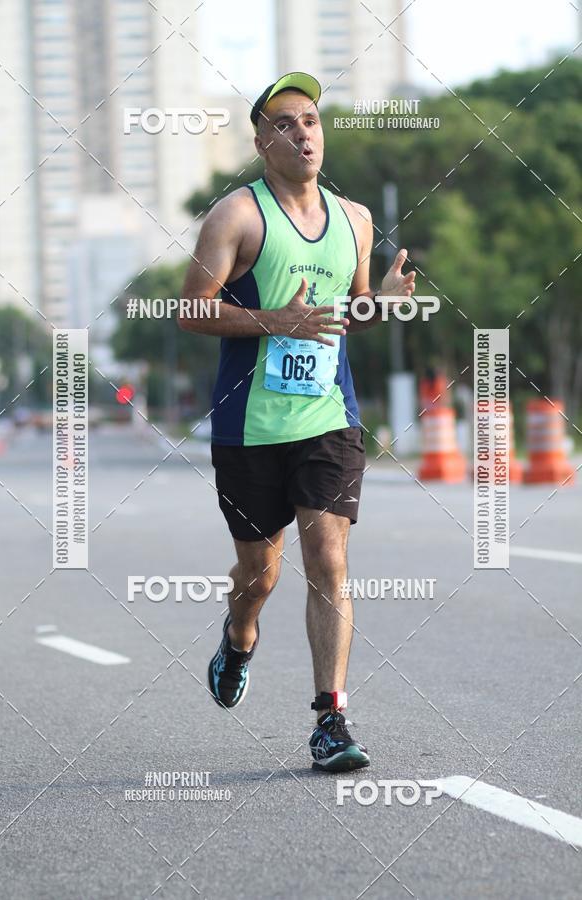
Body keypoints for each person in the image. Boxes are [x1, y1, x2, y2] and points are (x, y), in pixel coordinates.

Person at [179, 72, 415, 772]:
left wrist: (386, 302)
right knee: (259, 574)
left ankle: (330, 719)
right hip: (249, 429)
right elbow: (191, 309)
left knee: (329, 561)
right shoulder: (235, 217)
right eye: (284, 123)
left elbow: (353, 312)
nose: (302, 132)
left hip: (328, 421)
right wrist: (268, 320)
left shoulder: (357, 220)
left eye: (310, 120)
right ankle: (241, 632)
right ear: (260, 141)